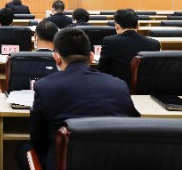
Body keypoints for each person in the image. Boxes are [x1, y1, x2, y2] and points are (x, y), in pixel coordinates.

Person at [24, 27, 139, 170]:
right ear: (91, 57)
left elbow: (37, 137)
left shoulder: (44, 86)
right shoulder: (119, 86)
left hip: (63, 164)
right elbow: (132, 127)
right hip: (111, 163)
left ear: (56, 58)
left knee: (23, 149)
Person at [97, 8, 161, 86]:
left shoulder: (109, 41)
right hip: (144, 89)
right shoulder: (154, 44)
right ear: (138, 26)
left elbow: (102, 70)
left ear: (117, 26)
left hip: (117, 88)